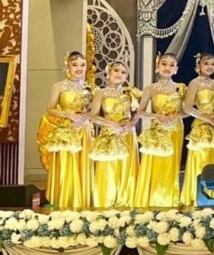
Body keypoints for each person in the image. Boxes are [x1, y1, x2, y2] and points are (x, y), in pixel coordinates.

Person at [39, 51, 94, 209]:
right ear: (68, 66)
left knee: (83, 166)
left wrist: (84, 118)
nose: (79, 68)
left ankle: (82, 202)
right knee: (65, 165)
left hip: (83, 131)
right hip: (66, 130)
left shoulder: (90, 87)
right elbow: (50, 109)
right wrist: (68, 114)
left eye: (82, 65)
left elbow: (95, 111)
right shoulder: (59, 86)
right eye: (75, 65)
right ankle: (62, 200)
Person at [135, 53, 186, 208]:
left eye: (171, 65)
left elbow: (188, 111)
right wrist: (155, 116)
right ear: (157, 67)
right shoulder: (151, 88)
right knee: (154, 164)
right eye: (164, 64)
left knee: (171, 166)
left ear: (176, 69)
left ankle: (170, 202)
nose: (167, 67)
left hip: (175, 130)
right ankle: (151, 202)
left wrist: (177, 115)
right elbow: (139, 112)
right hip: (157, 131)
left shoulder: (181, 88)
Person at [89, 61, 140, 209]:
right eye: (116, 70)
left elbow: (137, 114)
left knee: (127, 171)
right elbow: (93, 116)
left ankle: (127, 204)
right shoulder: (101, 93)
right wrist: (111, 124)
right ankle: (105, 204)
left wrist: (132, 123)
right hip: (109, 135)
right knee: (108, 170)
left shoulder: (130, 93)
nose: (119, 74)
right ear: (109, 72)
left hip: (127, 135)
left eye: (123, 72)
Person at [181, 53, 214, 207]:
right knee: (202, 159)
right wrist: (209, 119)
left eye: (213, 64)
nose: (210, 67)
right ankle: (198, 195)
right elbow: (187, 107)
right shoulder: (195, 83)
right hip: (203, 126)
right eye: (206, 63)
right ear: (199, 65)